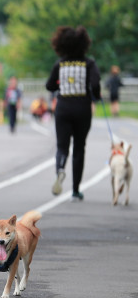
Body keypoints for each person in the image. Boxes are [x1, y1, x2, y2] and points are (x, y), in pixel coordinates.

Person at [45, 26, 101, 201]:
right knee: (79, 147)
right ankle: (76, 190)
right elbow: (96, 84)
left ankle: (60, 168)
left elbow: (49, 86)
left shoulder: (60, 64)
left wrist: (59, 83)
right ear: (84, 44)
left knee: (62, 146)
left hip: (63, 108)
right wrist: (96, 96)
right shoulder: (89, 63)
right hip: (82, 108)